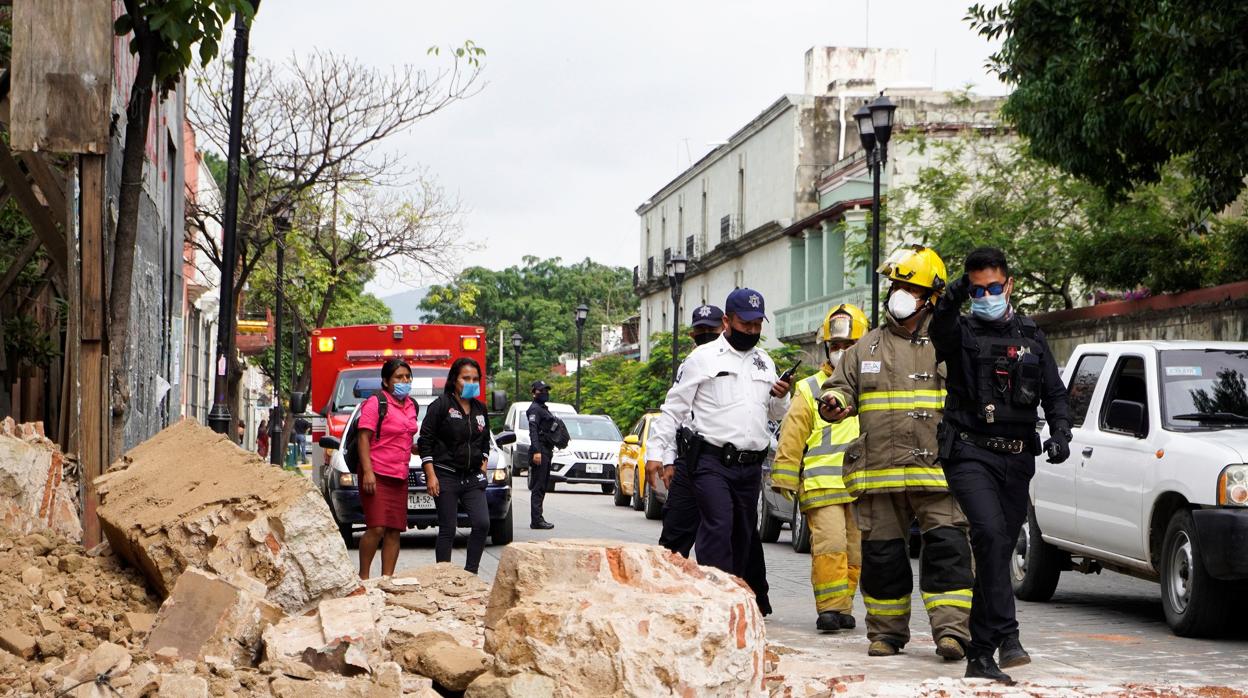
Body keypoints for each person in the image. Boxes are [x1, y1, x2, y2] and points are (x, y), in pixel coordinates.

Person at [817, 244, 973, 660]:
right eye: (894, 285)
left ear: (932, 297)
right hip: (880, 475)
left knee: (948, 554)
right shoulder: (864, 349)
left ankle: (952, 633)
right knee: (883, 558)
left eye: (908, 286)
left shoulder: (952, 344)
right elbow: (837, 389)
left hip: (938, 475)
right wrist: (833, 402)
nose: (897, 293)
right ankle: (886, 634)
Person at [930, 247, 1071, 683]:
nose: (987, 295)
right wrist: (953, 294)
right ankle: (985, 650)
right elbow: (939, 330)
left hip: (1018, 457)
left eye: (994, 287)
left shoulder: (1031, 334)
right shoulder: (961, 330)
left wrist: (1062, 433)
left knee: (999, 548)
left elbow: (1056, 392)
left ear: (1009, 286)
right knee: (989, 535)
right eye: (978, 290)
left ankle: (1003, 638)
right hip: (970, 452)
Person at [647, 288, 791, 582]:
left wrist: (781, 397)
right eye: (744, 324)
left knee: (742, 534)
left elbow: (775, 414)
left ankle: (734, 593)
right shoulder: (703, 358)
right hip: (712, 461)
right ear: (727, 321)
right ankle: (715, 592)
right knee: (718, 525)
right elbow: (674, 409)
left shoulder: (764, 361)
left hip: (750, 466)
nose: (751, 331)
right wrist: (655, 454)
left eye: (756, 325)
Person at [771, 303, 868, 633]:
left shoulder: (872, 387)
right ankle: (828, 609)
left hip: (860, 487)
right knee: (831, 547)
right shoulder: (810, 388)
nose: (842, 352)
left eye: (849, 345)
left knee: (854, 552)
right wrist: (784, 474)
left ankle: (844, 607)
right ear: (827, 347)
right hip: (822, 484)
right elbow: (793, 433)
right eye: (836, 346)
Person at [417, 358, 493, 574]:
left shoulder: (480, 409)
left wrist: (483, 466)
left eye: (475, 379)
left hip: (472, 477)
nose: (471, 382)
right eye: (466, 378)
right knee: (448, 528)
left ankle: (471, 574)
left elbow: (485, 440)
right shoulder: (441, 406)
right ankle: (444, 576)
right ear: (454, 380)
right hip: (445, 475)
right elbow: (425, 442)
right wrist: (431, 475)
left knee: (482, 524)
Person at [356, 358, 420, 579]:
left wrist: (415, 448)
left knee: (394, 530)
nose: (404, 381)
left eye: (407, 377)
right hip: (376, 473)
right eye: (398, 377)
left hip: (399, 475)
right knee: (376, 527)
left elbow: (401, 436)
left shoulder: (412, 405)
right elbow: (364, 438)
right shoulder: (376, 402)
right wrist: (368, 472)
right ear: (385, 381)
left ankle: (387, 580)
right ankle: (363, 578)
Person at [526, 380, 558, 530]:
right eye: (541, 390)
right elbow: (533, 431)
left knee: (543, 485)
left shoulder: (542, 408)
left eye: (546, 390)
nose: (544, 393)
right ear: (533, 393)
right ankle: (536, 520)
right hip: (540, 452)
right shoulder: (534, 409)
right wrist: (537, 451)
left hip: (546, 450)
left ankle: (538, 517)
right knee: (538, 486)